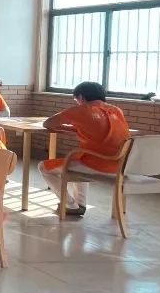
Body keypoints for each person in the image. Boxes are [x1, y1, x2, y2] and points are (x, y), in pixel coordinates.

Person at [37, 81, 130, 217]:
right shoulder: (116, 110)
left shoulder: (81, 110)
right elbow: (101, 129)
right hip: (122, 164)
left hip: (98, 165)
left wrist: (63, 127)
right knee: (77, 161)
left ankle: (70, 205)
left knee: (44, 167)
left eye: (76, 100)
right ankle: (80, 204)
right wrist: (74, 128)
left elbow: (48, 123)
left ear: (81, 97)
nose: (77, 103)